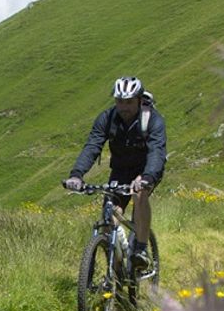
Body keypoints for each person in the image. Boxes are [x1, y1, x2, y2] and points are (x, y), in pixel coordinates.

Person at [63, 75, 167, 268]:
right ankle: (117, 270)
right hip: (120, 170)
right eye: (120, 101)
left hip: (146, 170)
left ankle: (141, 249)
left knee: (139, 195)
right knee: (110, 215)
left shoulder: (151, 119)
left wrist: (147, 177)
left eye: (129, 102)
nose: (124, 107)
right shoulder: (107, 118)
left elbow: (157, 151)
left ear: (138, 100)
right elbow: (93, 146)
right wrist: (77, 174)